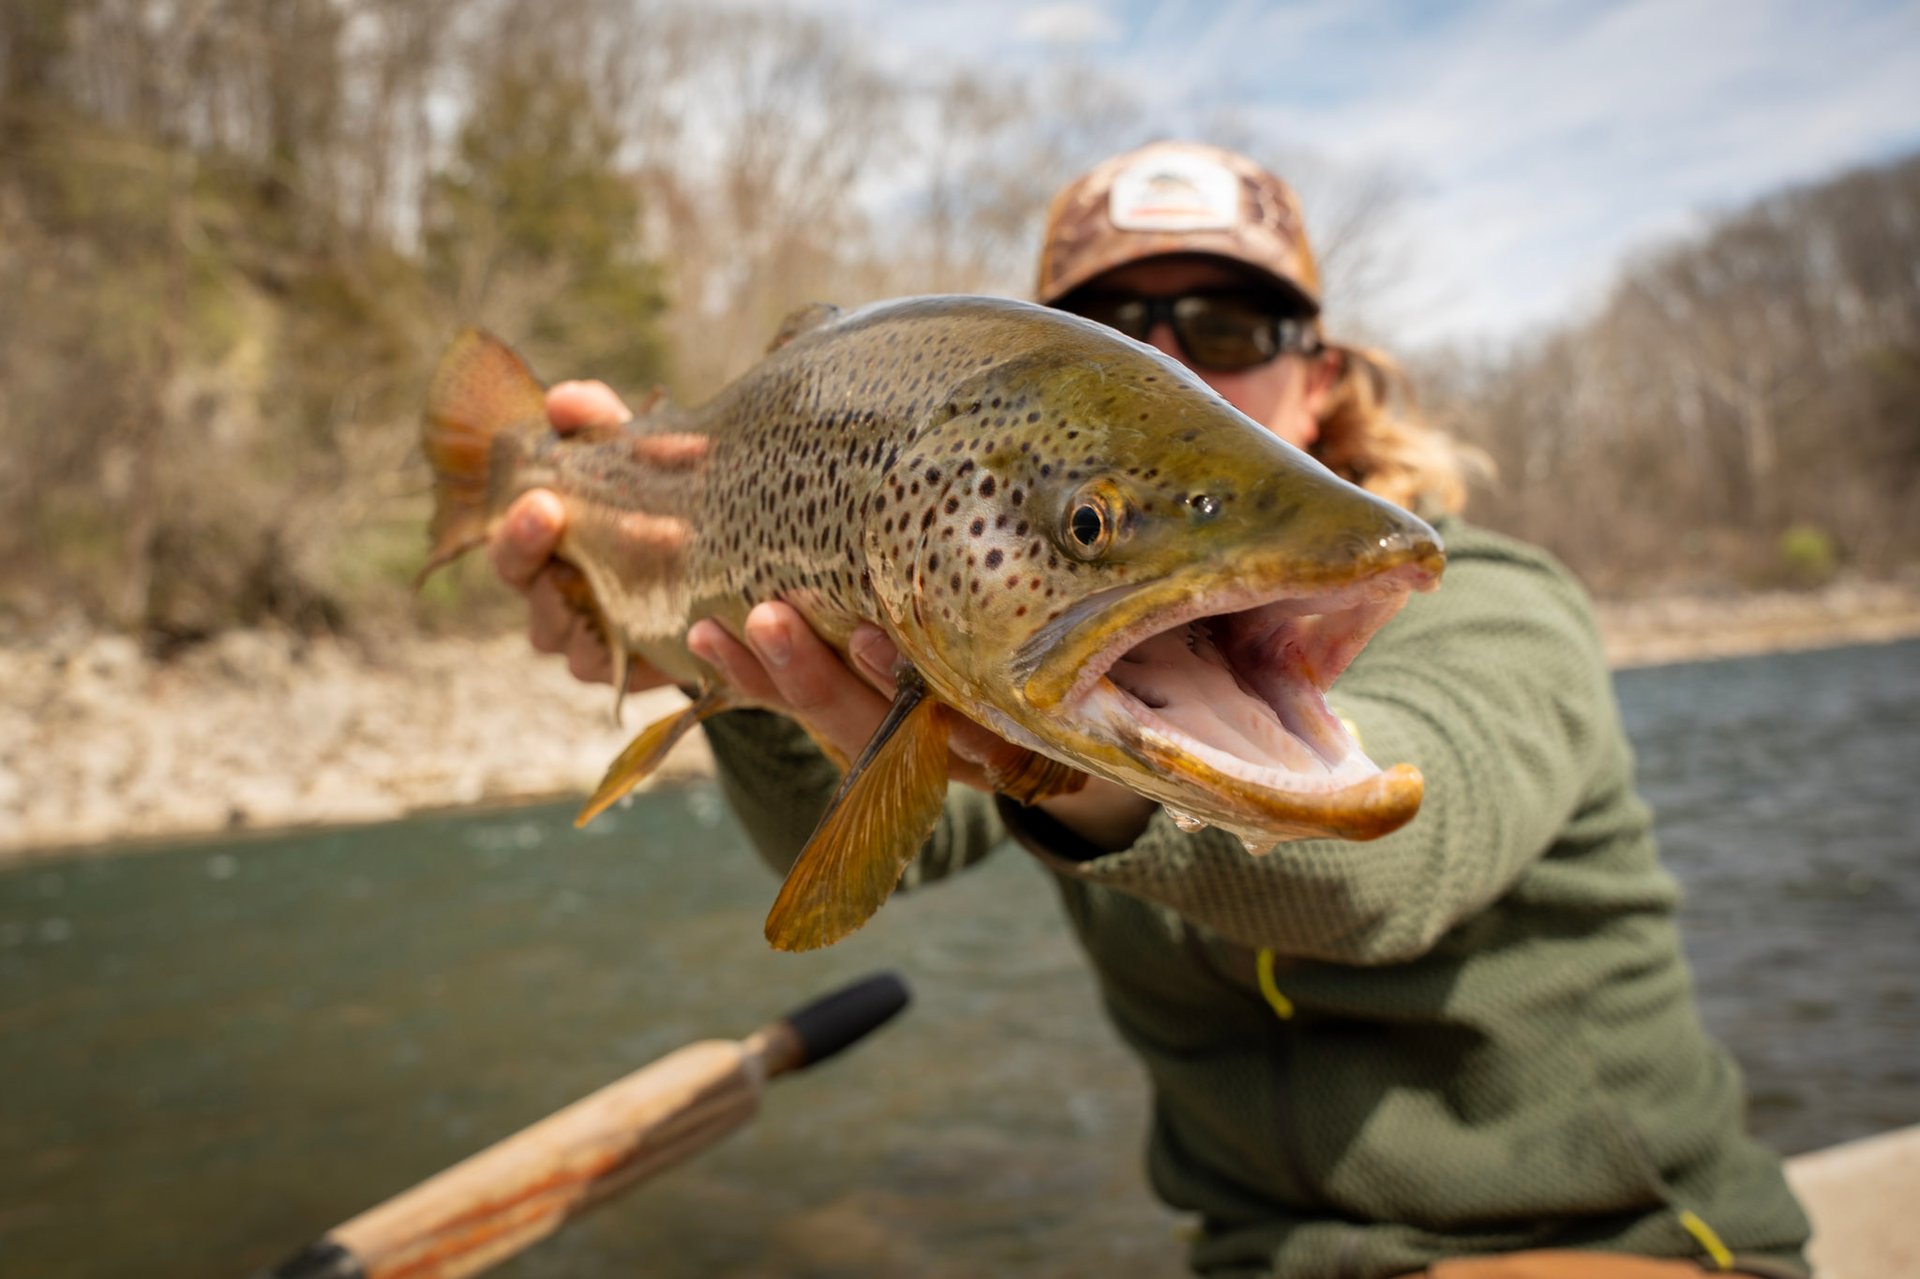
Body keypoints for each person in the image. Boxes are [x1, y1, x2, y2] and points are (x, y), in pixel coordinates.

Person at [488, 142, 1811, 1278]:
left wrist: (1085, 772)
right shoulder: (1001, 614)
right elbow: (865, 840)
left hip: (1635, 1243)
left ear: (1324, 375)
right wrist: (703, 656)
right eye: (1119, 329)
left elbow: (1390, 866)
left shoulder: (1503, 601)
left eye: (1228, 328)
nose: (1173, 355)